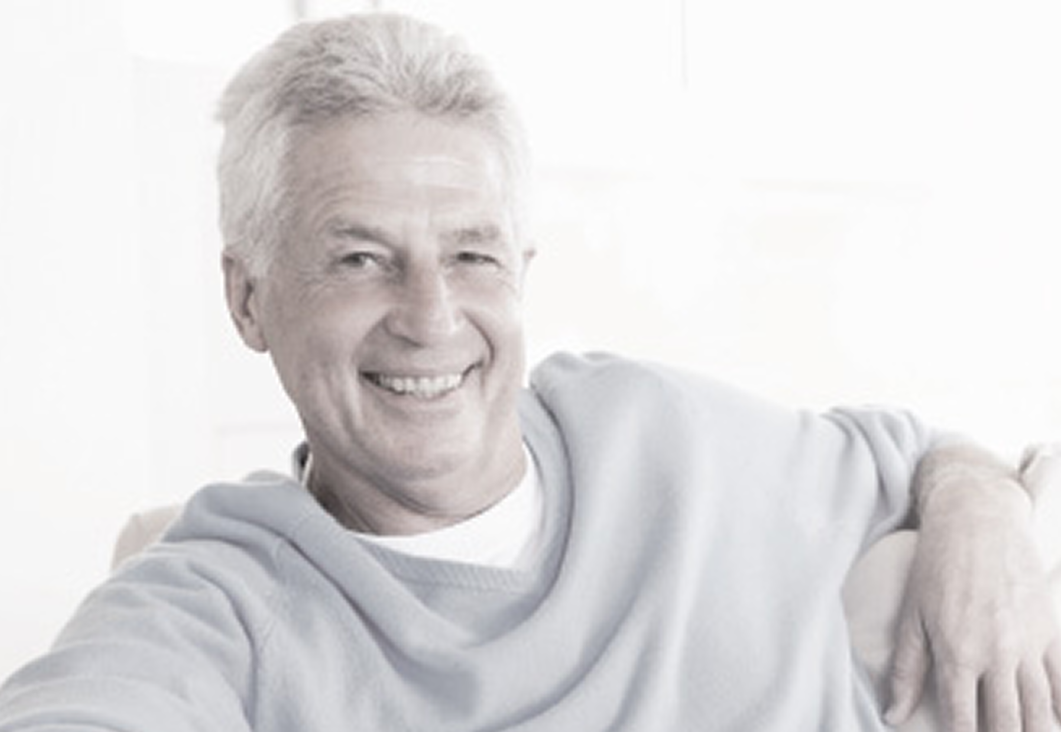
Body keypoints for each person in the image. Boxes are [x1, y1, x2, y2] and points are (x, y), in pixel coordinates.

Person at [0, 12, 1058, 732]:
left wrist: (980, 501)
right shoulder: (218, 597)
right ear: (248, 299)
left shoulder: (653, 426)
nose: (431, 317)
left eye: (470, 255)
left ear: (520, 275)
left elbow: (924, 453)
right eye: (360, 258)